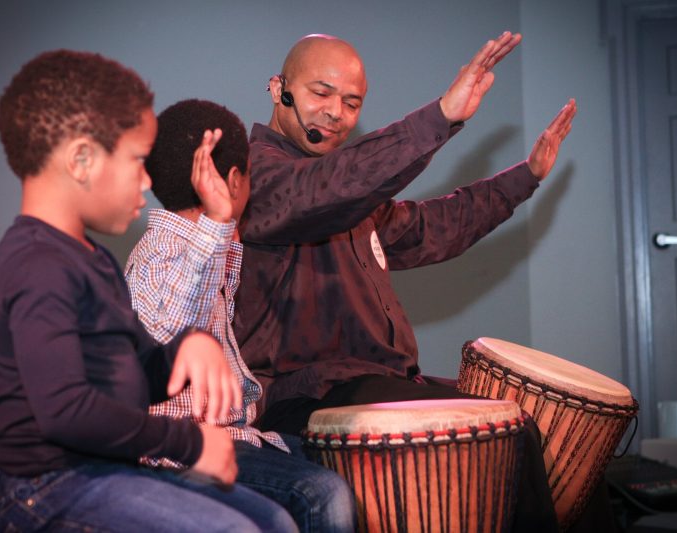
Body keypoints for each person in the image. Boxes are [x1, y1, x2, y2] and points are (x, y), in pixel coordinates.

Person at [233, 33, 583, 531]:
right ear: (278, 88)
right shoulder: (255, 177)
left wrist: (524, 177)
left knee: (535, 425)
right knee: (510, 430)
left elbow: (431, 228)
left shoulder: (351, 197)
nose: (335, 112)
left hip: (373, 384)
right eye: (321, 93)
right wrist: (440, 117)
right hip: (306, 397)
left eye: (351, 103)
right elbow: (323, 190)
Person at [0, 49, 297, 533]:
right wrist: (188, 442)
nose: (148, 181)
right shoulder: (35, 263)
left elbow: (138, 371)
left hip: (104, 472)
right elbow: (67, 412)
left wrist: (184, 351)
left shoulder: (93, 259)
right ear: (82, 159)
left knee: (273, 524)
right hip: (42, 488)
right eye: (135, 162)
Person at [125, 98, 356, 532]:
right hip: (180, 451)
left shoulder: (210, 247)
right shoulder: (160, 252)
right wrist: (217, 221)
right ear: (234, 180)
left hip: (235, 437)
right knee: (322, 492)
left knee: (352, 463)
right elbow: (171, 331)